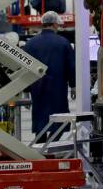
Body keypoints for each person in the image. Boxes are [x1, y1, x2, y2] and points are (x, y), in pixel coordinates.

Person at [24, 11, 75, 142]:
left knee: (40, 119)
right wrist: (73, 86)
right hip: (57, 88)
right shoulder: (63, 43)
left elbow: (23, 69)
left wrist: (25, 91)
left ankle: (40, 150)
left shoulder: (30, 44)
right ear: (54, 24)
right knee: (58, 120)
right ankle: (53, 147)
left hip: (37, 88)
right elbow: (71, 66)